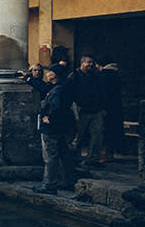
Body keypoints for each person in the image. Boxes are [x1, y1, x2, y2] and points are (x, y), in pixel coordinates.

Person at [34, 63, 76, 194]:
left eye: (49, 72)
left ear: (54, 75)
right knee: (64, 155)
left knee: (50, 156)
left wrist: (50, 118)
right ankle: (68, 181)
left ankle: (49, 185)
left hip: (51, 128)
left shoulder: (57, 90)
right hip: (62, 126)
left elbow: (56, 107)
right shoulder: (64, 87)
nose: (46, 74)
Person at [72, 55, 105, 166]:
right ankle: (75, 158)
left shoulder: (95, 77)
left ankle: (93, 158)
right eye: (88, 62)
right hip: (81, 110)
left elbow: (100, 92)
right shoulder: (75, 76)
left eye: (92, 62)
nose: (90, 65)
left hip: (95, 110)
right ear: (82, 63)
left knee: (97, 135)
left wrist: (102, 107)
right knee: (78, 136)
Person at [100, 60, 123, 160]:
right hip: (116, 107)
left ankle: (105, 154)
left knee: (106, 131)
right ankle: (110, 153)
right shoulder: (117, 75)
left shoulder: (103, 76)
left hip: (107, 107)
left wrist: (102, 107)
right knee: (114, 130)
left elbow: (103, 93)